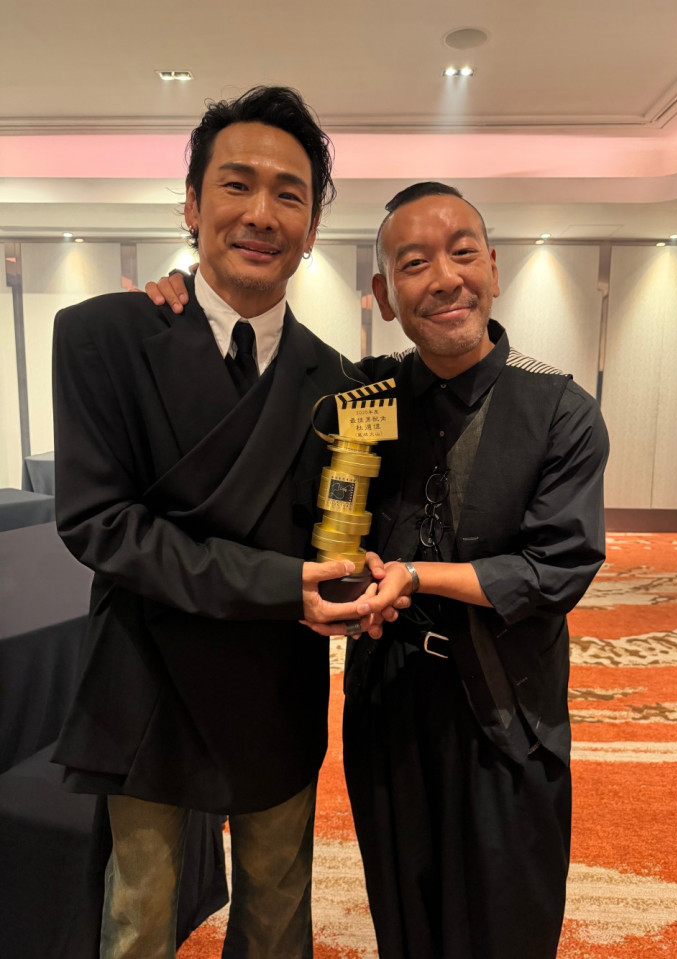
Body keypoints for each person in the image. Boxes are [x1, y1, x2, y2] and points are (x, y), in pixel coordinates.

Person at [148, 181, 609, 959]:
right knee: (403, 915)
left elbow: (554, 568)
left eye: (462, 253)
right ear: (384, 294)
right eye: (413, 263)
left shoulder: (557, 409)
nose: (444, 278)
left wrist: (418, 576)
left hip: (504, 711)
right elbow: (251, 398)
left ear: (492, 268)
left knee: (507, 921)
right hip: (386, 701)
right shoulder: (365, 393)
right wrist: (190, 309)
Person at [51, 86, 399, 959]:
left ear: (312, 228)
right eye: (235, 184)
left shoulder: (341, 382)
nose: (260, 214)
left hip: (272, 682)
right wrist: (280, 585)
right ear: (191, 204)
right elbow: (99, 523)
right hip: (146, 673)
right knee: (138, 917)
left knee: (276, 912)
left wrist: (358, 582)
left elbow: (346, 530)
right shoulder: (102, 337)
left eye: (289, 195)